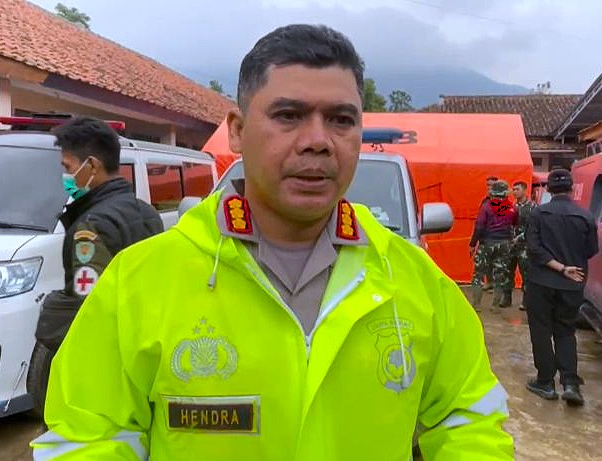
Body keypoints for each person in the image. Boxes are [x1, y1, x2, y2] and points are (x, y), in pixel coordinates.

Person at [31, 24, 514, 460]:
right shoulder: (139, 281)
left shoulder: (415, 281)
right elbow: (88, 438)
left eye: (341, 120)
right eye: (289, 115)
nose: (318, 140)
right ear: (237, 132)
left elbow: (468, 417)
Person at [30, 117, 164, 415]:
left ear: (91, 166)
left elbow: (87, 308)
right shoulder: (146, 212)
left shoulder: (91, 227)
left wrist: (53, 311)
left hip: (104, 368)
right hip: (145, 352)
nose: (65, 176)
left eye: (67, 167)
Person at [524, 168, 598, 406]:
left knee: (541, 330)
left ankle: (546, 382)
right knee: (566, 331)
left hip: (541, 281)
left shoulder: (538, 213)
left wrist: (559, 267)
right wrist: (569, 267)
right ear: (571, 189)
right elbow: (591, 250)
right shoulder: (585, 216)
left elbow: (533, 248)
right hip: (572, 284)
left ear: (548, 189)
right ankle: (570, 384)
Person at [469, 180, 517, 308]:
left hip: (487, 243)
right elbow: (514, 223)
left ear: (492, 193)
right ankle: (495, 306)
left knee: (478, 274)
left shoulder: (486, 207)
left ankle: (476, 304)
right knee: (500, 275)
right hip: (504, 244)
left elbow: (479, 226)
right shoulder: (511, 207)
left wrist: (472, 244)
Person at [510, 181, 535, 310]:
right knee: (507, 271)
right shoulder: (511, 207)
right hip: (511, 246)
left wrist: (519, 238)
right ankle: (506, 298)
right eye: (513, 189)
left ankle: (526, 301)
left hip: (525, 246)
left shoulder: (532, 207)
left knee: (526, 274)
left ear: (525, 190)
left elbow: (532, 228)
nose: (515, 192)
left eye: (517, 189)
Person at [476, 176, 498, 290]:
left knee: (498, 263)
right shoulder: (485, 201)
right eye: (488, 185)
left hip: (497, 238)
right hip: (485, 237)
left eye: (492, 185)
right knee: (486, 262)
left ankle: (498, 287)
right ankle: (489, 282)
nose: (489, 187)